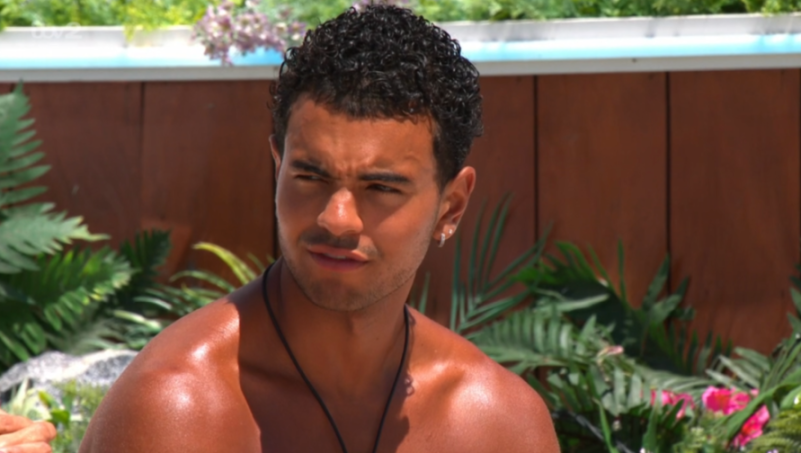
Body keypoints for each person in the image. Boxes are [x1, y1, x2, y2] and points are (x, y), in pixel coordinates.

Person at [3, 5, 559, 452]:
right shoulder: (180, 407)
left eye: (381, 187)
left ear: (451, 205)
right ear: (277, 166)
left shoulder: (500, 425)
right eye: (310, 175)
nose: (336, 218)